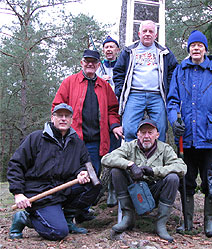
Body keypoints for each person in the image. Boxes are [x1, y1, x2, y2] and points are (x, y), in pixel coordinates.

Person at [167, 30, 212, 237]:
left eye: (200, 45)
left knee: (210, 181)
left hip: (210, 137)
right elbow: (172, 101)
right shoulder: (180, 71)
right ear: (188, 49)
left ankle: (209, 223)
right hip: (185, 138)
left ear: (205, 49)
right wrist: (173, 121)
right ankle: (187, 223)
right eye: (192, 45)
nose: (196, 48)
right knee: (185, 181)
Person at [7, 103, 102, 241]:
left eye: (67, 116)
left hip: (62, 190)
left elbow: (86, 164)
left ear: (71, 120)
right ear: (53, 118)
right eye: (59, 115)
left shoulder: (77, 143)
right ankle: (25, 218)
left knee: (94, 185)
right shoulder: (36, 138)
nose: (63, 119)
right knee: (58, 232)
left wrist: (82, 173)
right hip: (40, 193)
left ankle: (68, 219)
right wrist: (18, 193)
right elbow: (16, 165)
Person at [52, 49, 123, 222]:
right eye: (87, 61)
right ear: (81, 63)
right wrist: (59, 130)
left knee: (93, 178)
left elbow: (113, 109)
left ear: (99, 65)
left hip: (96, 142)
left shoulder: (104, 86)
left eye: (94, 62)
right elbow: (57, 107)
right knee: (72, 176)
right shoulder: (69, 82)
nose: (90, 64)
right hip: (73, 141)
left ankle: (82, 211)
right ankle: (66, 213)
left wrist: (114, 125)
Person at [101, 118, 187, 242]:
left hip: (155, 190)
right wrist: (130, 165)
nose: (146, 136)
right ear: (137, 134)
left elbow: (181, 167)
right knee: (116, 171)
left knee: (173, 178)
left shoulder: (165, 149)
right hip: (134, 190)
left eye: (150, 132)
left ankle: (161, 224)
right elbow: (106, 159)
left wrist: (154, 171)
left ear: (157, 134)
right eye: (143, 132)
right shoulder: (130, 146)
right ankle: (128, 217)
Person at [113, 20, 178, 142]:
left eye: (151, 31)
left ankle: (157, 159)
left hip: (157, 95)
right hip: (134, 94)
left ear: (155, 35)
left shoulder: (164, 52)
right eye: (145, 31)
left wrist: (168, 90)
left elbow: (174, 72)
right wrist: (121, 90)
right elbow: (118, 71)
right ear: (139, 33)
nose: (147, 34)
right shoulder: (129, 51)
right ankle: (132, 159)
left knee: (160, 130)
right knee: (129, 128)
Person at [96, 36, 121, 207]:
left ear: (117, 50)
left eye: (112, 47)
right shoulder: (98, 68)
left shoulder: (123, 65)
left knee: (117, 151)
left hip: (119, 112)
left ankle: (114, 188)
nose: (109, 49)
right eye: (106, 47)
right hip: (101, 115)